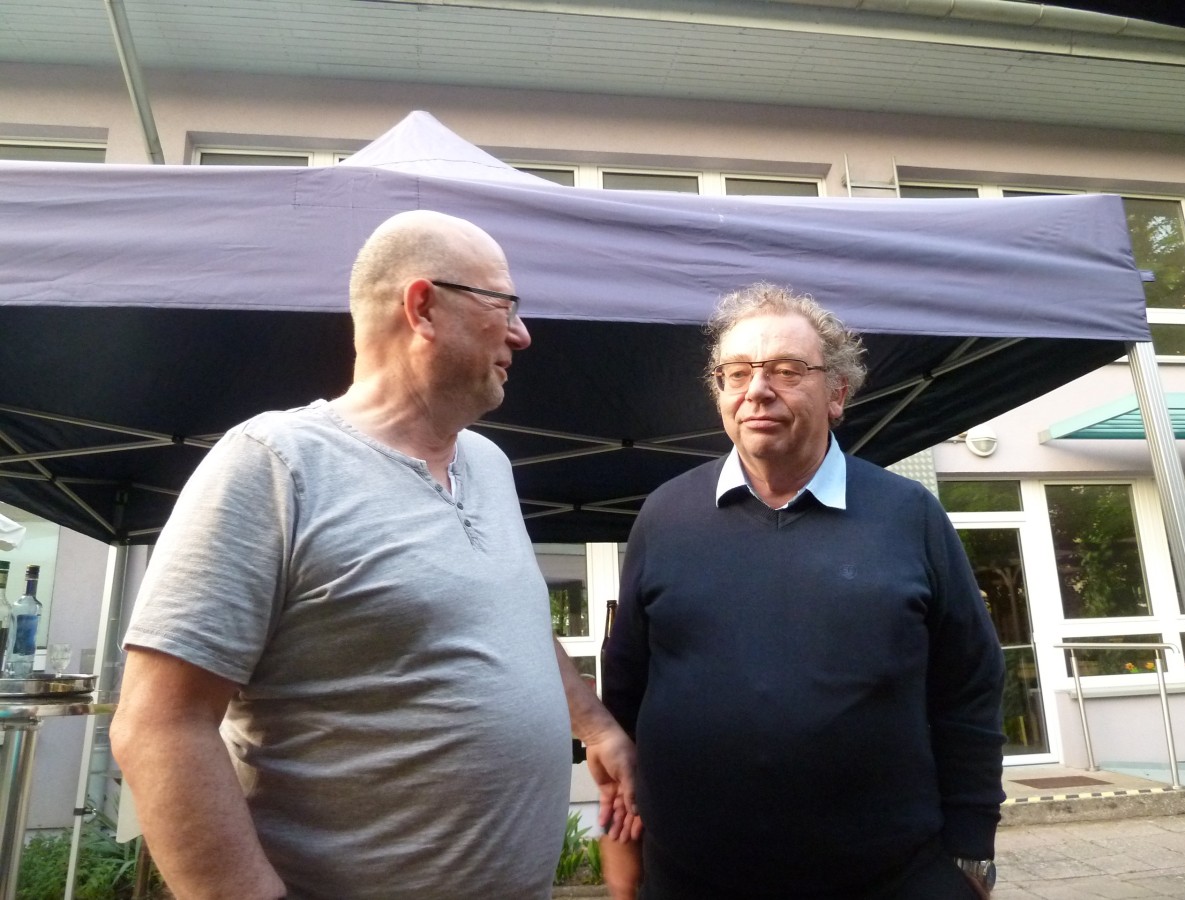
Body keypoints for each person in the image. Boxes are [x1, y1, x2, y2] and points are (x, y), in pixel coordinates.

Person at [110, 210, 637, 900]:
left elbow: (513, 623)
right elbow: (159, 724)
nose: (521, 333)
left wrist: (596, 728)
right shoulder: (275, 464)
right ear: (423, 308)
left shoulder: (488, 463)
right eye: (503, 305)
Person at [601, 283, 1005, 899]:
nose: (757, 390)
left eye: (787, 371)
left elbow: (970, 684)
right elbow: (626, 686)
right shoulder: (664, 515)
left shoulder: (908, 514)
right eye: (737, 373)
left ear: (838, 393)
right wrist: (621, 837)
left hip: (888, 879)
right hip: (693, 880)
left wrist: (972, 851)